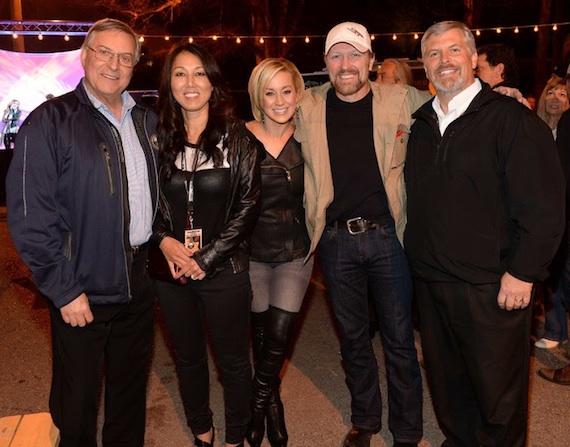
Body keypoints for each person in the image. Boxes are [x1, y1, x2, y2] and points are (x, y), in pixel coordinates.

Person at [404, 20, 565, 447]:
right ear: (424, 64)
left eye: (454, 51)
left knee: (498, 398)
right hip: (433, 281)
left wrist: (524, 271)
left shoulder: (510, 119)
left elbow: (544, 205)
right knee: (449, 387)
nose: (445, 61)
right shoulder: (421, 124)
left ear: (474, 58)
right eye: (434, 54)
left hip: (492, 286)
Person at [6, 18, 159, 446]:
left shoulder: (146, 121)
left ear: (134, 65)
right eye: (104, 53)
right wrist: (63, 289)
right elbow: (30, 215)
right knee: (77, 407)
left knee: (129, 400)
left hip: (138, 285)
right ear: (85, 56)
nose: (114, 64)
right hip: (82, 291)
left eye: (125, 57)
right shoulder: (49, 122)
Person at [294, 21, 432, 447]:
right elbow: (265, 116)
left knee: (398, 341)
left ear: (371, 61)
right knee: (353, 340)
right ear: (325, 64)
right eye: (336, 55)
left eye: (355, 54)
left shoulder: (401, 98)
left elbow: (455, 104)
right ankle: (365, 420)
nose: (346, 64)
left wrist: (502, 95)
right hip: (335, 242)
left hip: (389, 238)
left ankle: (407, 430)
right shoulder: (308, 104)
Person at [151, 42, 263, 447]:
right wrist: (164, 241)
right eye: (180, 73)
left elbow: (248, 205)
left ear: (213, 83)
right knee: (188, 358)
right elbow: (147, 200)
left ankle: (235, 436)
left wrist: (209, 258)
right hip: (173, 271)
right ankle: (202, 429)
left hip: (225, 270)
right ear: (169, 84)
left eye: (199, 73)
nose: (190, 82)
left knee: (233, 363)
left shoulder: (238, 137)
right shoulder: (157, 138)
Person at [244, 58, 313, 447]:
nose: (279, 100)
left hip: (295, 253)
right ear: (258, 97)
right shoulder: (238, 136)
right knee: (260, 335)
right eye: (270, 92)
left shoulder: (310, 136)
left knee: (279, 334)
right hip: (251, 253)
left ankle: (255, 407)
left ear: (298, 92)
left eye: (287, 91)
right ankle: (272, 402)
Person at [534, 76, 570, 350]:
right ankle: (555, 331)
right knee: (550, 273)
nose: (555, 98)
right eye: (550, 93)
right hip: (543, 214)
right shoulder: (534, 129)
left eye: (562, 94)